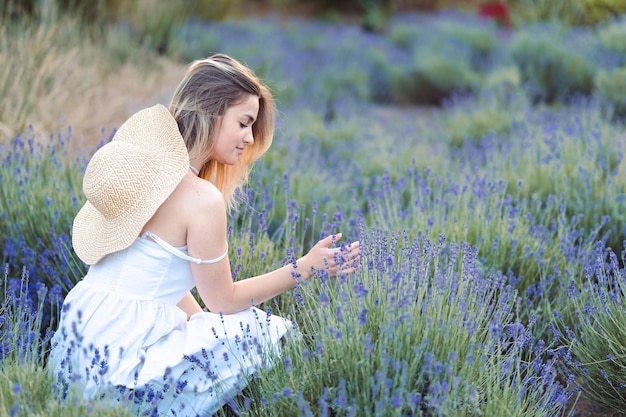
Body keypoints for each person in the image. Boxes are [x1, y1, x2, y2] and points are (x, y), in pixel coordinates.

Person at [48, 53, 361, 416]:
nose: (248, 138)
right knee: (270, 332)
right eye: (244, 123)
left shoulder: (144, 173)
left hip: (77, 350)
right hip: (124, 365)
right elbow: (224, 301)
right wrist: (304, 268)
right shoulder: (201, 198)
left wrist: (200, 324)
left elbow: (157, 271)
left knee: (209, 328)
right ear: (213, 112)